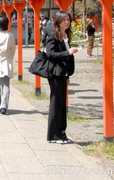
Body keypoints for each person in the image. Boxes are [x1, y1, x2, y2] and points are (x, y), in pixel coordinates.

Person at [45, 10, 79, 144]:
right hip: (55, 72)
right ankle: (54, 134)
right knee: (56, 103)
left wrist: (68, 73)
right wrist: (67, 52)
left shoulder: (65, 35)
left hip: (63, 73)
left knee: (62, 104)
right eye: (64, 20)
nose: (67, 22)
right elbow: (50, 53)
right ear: (58, 21)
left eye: (68, 20)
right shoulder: (53, 35)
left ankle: (61, 132)